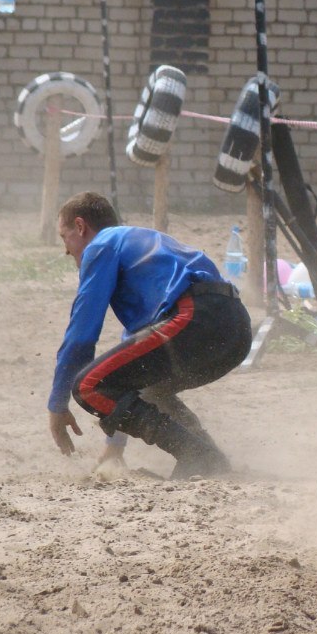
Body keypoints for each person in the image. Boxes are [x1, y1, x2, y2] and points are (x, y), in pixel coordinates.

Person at [49, 191, 252, 478]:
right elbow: (130, 367)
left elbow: (81, 337)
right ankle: (210, 458)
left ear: (81, 227)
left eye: (64, 237)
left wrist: (57, 406)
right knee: (147, 387)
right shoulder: (140, 247)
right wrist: (114, 448)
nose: (67, 251)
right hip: (236, 328)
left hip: (197, 316)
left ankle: (196, 454)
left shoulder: (102, 244)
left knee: (87, 386)